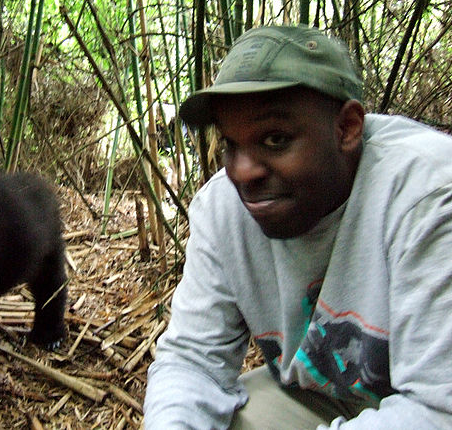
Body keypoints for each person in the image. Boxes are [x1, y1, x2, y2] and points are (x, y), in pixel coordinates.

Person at [143, 25, 452, 429]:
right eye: (230, 144)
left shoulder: (425, 195)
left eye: (275, 139)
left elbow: (438, 409)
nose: (243, 171)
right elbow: (192, 362)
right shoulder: (223, 209)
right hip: (330, 398)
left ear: (347, 128)